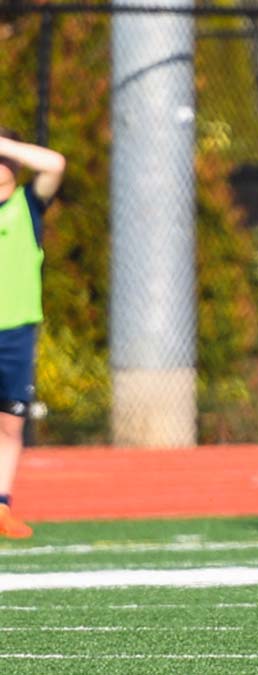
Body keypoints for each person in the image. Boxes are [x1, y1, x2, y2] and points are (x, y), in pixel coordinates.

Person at [0, 128, 65, 540]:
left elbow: (55, 163)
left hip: (16, 334)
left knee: (9, 425)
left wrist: (4, 145)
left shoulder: (27, 203)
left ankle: (1, 506)